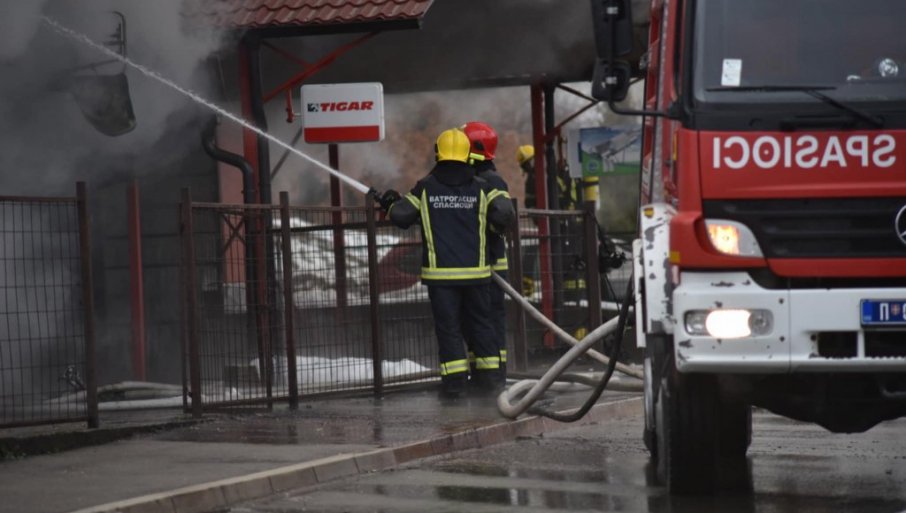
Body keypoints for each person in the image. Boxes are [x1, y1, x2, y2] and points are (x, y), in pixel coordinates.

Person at [377, 128, 515, 398]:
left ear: (438, 153)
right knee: (482, 326)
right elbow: (504, 213)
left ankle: (455, 389)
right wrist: (492, 227)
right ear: (466, 154)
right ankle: (490, 385)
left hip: (441, 279)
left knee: (449, 330)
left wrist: (390, 202)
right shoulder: (482, 187)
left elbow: (402, 216)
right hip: (476, 276)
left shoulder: (426, 187)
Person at [462, 121, 510, 385]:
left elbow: (503, 215)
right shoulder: (473, 179)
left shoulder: (491, 180)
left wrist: (484, 228)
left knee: (489, 321)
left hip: (491, 267)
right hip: (477, 265)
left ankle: (495, 376)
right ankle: (481, 375)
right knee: (474, 322)